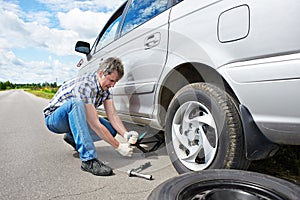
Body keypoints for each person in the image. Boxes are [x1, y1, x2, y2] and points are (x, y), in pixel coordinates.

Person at [43, 57, 139, 176]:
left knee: (111, 130)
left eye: (115, 82)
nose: (113, 85)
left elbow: (113, 115)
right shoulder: (85, 86)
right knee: (76, 103)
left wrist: (126, 134)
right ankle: (88, 160)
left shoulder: (105, 90)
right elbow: (94, 123)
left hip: (72, 119)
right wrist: (118, 146)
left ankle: (72, 137)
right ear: (101, 73)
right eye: (111, 80)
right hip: (55, 120)